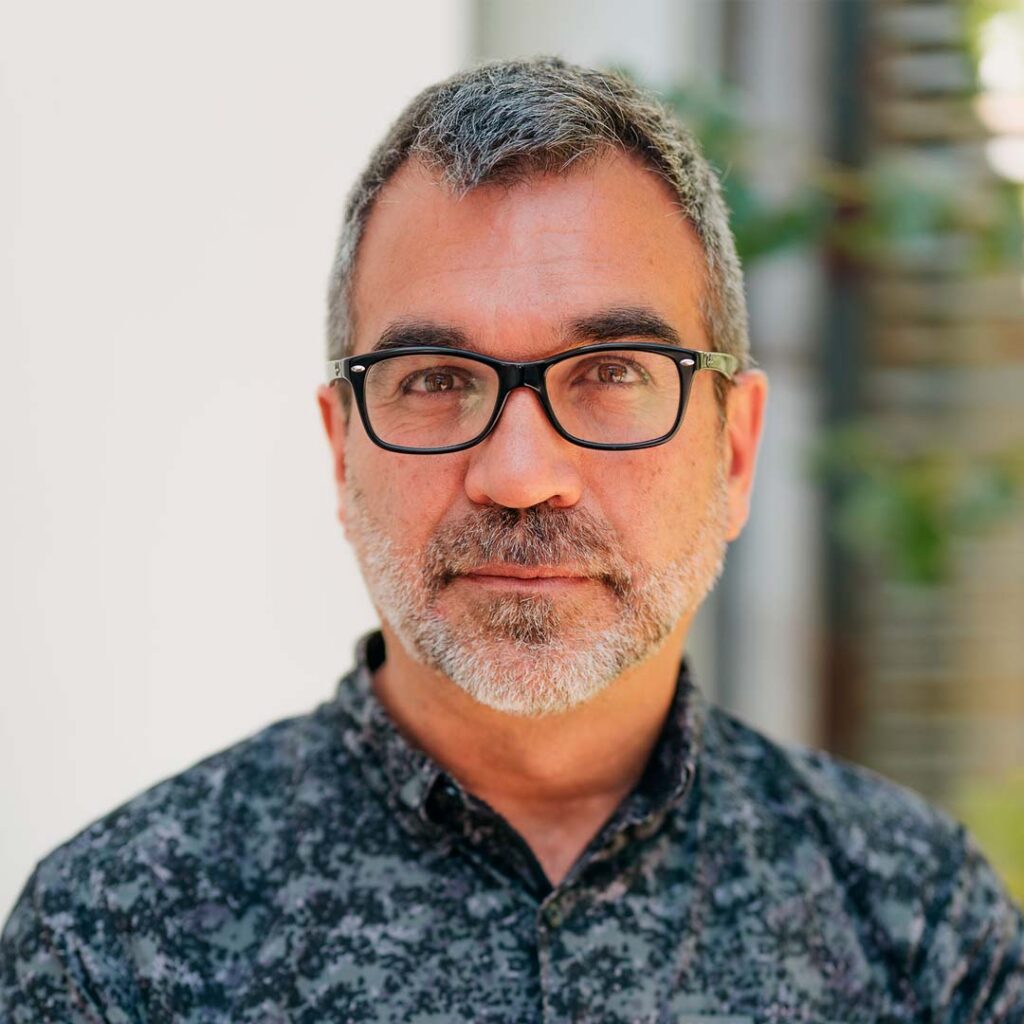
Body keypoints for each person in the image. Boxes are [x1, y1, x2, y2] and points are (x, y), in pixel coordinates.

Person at [1, 56, 1021, 1024]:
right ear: (341, 451)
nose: (521, 475)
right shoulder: (114, 941)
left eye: (612, 373)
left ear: (736, 451)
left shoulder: (922, 930)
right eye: (436, 380)